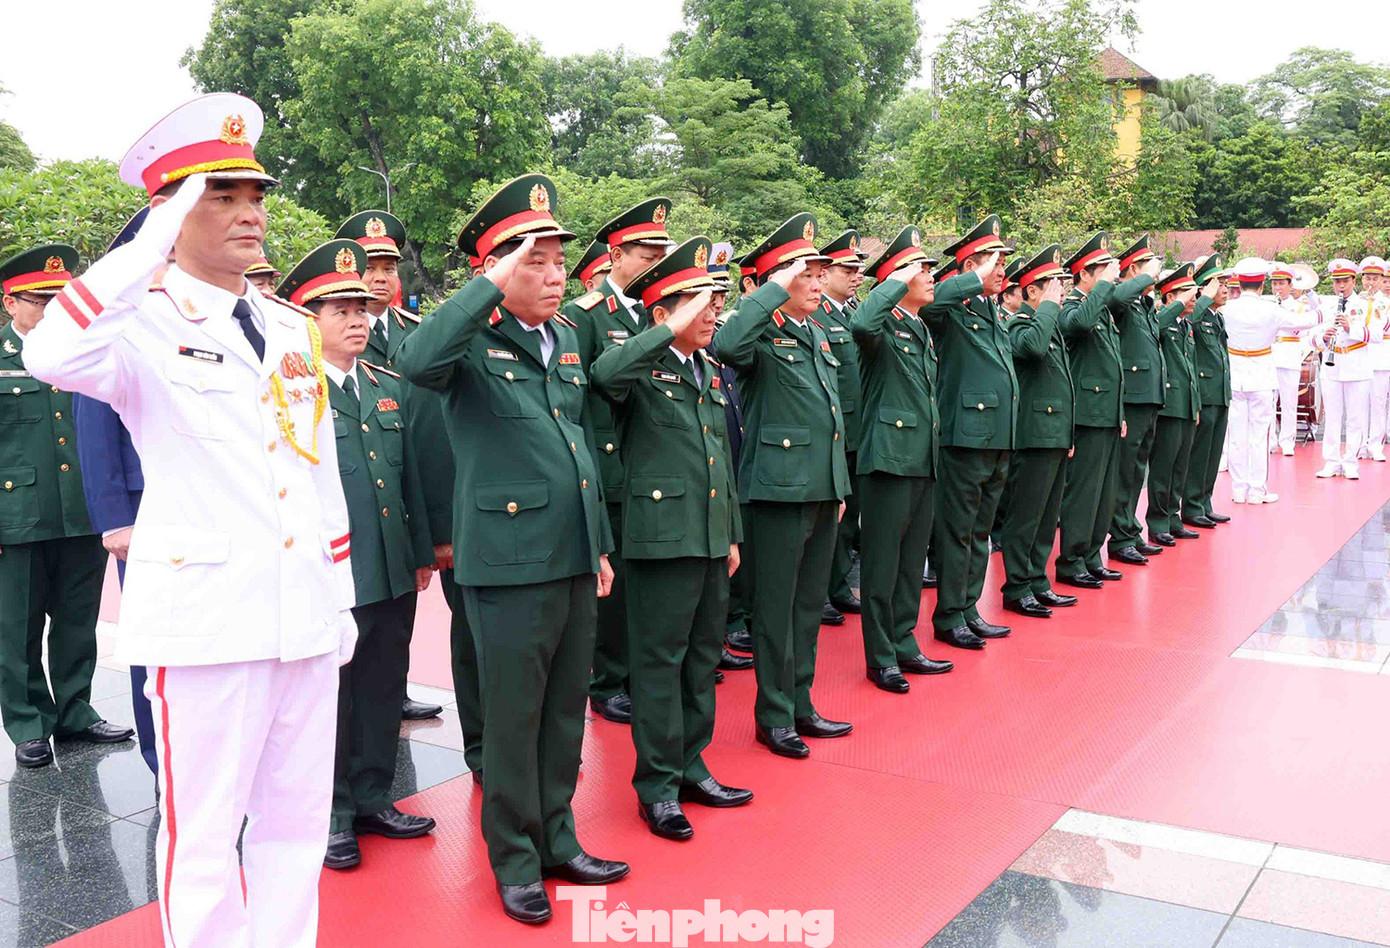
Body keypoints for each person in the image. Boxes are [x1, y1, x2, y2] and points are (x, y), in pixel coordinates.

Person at [23, 93, 356, 948]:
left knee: (294, 826)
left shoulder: (289, 327)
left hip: (303, 613)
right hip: (207, 623)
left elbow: (317, 473)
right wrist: (149, 244)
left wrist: (340, 598)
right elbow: (48, 351)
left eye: (255, 197)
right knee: (203, 837)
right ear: (170, 211)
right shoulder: (137, 326)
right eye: (221, 196)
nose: (250, 213)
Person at [396, 174, 626, 926]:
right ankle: (516, 860)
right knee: (513, 719)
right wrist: (488, 286)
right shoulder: (469, 340)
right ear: (495, 269)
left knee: (563, 714)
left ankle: (559, 839)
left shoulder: (564, 340)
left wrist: (599, 545)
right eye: (536, 262)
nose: (556, 276)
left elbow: (577, 446)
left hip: (570, 555)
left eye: (560, 262)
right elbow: (416, 362)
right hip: (507, 561)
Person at [272, 239, 437, 870]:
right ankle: (333, 813)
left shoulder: (386, 386)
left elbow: (409, 480)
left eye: (362, 309)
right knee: (331, 698)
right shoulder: (291, 394)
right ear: (307, 320)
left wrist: (419, 554)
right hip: (331, 574)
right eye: (339, 310)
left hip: (390, 570)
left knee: (382, 687)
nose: (357, 320)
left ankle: (372, 797)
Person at [591, 236, 753, 840]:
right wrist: (662, 331)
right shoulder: (641, 365)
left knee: (702, 657)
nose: (712, 313)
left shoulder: (706, 368)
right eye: (698, 305)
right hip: (660, 541)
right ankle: (657, 786)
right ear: (662, 313)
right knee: (659, 664)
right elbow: (604, 375)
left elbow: (719, 459)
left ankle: (692, 765)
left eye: (714, 303)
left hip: (708, 538)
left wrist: (730, 534)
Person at [711, 213, 853, 759]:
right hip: (776, 491)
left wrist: (838, 486)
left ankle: (801, 703)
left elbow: (831, 416)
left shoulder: (815, 332)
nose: (817, 284)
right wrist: (770, 288)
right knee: (775, 611)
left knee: (808, 605)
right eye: (805, 276)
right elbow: (727, 346)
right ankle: (773, 716)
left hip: (819, 489)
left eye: (819, 275)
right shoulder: (760, 330)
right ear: (778, 280)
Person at [0, 243, 134, 770]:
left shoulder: (86, 356)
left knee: (78, 622)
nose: (51, 310)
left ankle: (75, 711)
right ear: (10, 302)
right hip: (17, 517)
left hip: (80, 510)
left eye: (59, 301)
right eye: (40, 301)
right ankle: (29, 722)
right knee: (18, 627)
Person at [563, 197, 674, 726]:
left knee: (647, 583)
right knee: (615, 584)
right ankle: (607, 681)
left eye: (660, 256)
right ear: (615, 257)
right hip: (610, 465)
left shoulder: (659, 311)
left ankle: (637, 674)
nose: (655, 264)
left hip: (653, 464)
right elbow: (579, 396)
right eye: (645, 255)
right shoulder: (586, 315)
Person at [335, 210, 441, 723]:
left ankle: (394, 691)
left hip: (403, 478)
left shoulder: (416, 331)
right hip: (353, 508)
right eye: (370, 267)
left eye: (389, 268)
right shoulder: (321, 340)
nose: (380, 278)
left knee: (396, 623)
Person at [72, 208, 159, 777]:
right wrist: (114, 518)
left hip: (206, 506)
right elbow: (94, 428)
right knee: (155, 639)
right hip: (142, 510)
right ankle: (161, 760)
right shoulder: (116, 331)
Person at [853, 226, 954, 692]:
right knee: (882, 565)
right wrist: (893, 281)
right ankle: (881, 657)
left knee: (912, 562)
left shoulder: (919, 327)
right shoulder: (882, 324)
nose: (930, 277)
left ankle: (904, 641)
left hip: (921, 457)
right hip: (888, 459)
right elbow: (862, 324)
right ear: (897, 279)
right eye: (921, 270)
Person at [924, 216, 1017, 649]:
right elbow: (930, 304)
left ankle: (967, 608)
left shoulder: (990, 308)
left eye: (1002, 262)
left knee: (981, 532)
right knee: (958, 531)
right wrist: (973, 279)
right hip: (965, 437)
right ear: (969, 267)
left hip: (996, 436)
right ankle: (948, 615)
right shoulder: (953, 306)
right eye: (994, 262)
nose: (1002, 270)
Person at [998, 245, 1077, 617]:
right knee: (1026, 516)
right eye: (1053, 286)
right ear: (1031, 291)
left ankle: (1037, 581)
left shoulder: (1049, 322)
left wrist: (1068, 434)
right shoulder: (1020, 323)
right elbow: (1031, 348)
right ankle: (1017, 587)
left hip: (1054, 433)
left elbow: (1063, 384)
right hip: (1033, 434)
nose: (1060, 292)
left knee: (1046, 517)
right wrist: (1046, 307)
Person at [1056, 233, 1129, 589]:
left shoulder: (1098, 306)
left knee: (1105, 492)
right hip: (1087, 413)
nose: (1109, 277)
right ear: (1084, 274)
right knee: (1084, 492)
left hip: (1107, 413)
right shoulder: (1072, 306)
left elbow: (1112, 364)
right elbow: (1079, 325)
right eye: (1101, 270)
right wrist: (1102, 288)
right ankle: (1071, 560)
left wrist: (1120, 412)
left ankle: (1092, 556)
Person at [1222, 257, 1321, 502]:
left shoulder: (1227, 309)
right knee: (1259, 436)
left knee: (1237, 436)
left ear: (1240, 283)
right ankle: (1257, 490)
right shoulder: (1270, 310)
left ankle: (1238, 489)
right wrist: (1318, 306)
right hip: (1261, 377)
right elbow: (1306, 321)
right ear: (1262, 285)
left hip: (1235, 376)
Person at [1105, 235, 1167, 567]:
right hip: (1132, 396)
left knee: (1138, 468)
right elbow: (1116, 298)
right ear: (1132, 270)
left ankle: (1130, 529)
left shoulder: (1143, 304)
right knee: (1125, 470)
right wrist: (1146, 277)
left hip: (1149, 396)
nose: (1154, 274)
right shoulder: (1122, 297)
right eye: (1147, 267)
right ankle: (1120, 536)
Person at [818, 230, 865, 625]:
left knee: (848, 519)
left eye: (857, 270)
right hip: (833, 433)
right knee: (827, 521)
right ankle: (819, 592)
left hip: (858, 431)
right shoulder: (816, 314)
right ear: (826, 272)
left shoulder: (854, 312)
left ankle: (838, 585)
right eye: (847, 270)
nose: (855, 276)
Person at [1144, 265, 1203, 544]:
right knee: (1163, 468)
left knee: (1180, 467)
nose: (1194, 299)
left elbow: (1191, 368)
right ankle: (1157, 522)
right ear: (1170, 297)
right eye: (1186, 293)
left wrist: (1196, 405)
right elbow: (1155, 327)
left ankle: (1172, 517)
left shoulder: (1185, 326)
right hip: (1170, 405)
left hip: (1187, 404)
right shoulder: (1162, 321)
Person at [1181, 254, 1234, 526]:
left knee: (1213, 454)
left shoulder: (1216, 317)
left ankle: (1204, 501)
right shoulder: (1198, 314)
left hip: (1220, 393)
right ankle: (1192, 506)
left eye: (1225, 284)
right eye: (1218, 284)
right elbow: (1188, 321)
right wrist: (1203, 297)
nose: (1225, 289)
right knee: (1200, 454)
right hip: (1205, 393)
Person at [1313, 258, 1376, 479]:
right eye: (1336, 281)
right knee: (1332, 416)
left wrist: (1352, 328)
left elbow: (1377, 334)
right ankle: (1331, 461)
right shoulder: (1326, 306)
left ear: (1353, 281)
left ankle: (1350, 462)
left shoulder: (1367, 305)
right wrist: (1323, 337)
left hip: (1357, 365)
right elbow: (1312, 335)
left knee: (1355, 418)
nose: (1340, 285)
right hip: (1332, 366)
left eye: (1345, 281)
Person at [1269, 262, 1320, 456]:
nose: (1277, 288)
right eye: (1275, 283)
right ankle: (1270, 440)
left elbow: (1298, 329)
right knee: (1269, 402)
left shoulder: (1299, 308)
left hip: (1289, 356)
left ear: (1290, 285)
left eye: (1281, 283)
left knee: (1289, 402)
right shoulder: (1268, 306)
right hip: (1270, 356)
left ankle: (1287, 441)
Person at [1361, 257, 1390, 461]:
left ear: (1381, 280)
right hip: (1360, 356)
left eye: (1375, 279)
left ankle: (1375, 445)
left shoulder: (1385, 303)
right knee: (1359, 404)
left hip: (1380, 356)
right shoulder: (1357, 300)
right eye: (1368, 278)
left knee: (1378, 403)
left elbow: (1383, 327)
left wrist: (1372, 305)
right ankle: (1360, 444)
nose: (1371, 283)